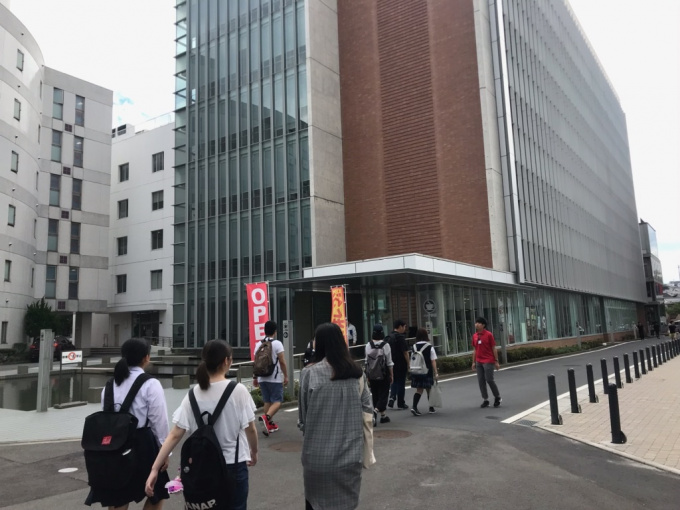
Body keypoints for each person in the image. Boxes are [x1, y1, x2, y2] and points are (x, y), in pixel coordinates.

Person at [145, 340, 258, 510]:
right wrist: (253, 452)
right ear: (226, 361)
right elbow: (251, 429)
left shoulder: (192, 395)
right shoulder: (238, 391)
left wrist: (154, 469)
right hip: (232, 465)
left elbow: (175, 434)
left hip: (201, 467)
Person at [85, 338, 170, 510]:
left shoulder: (110, 384)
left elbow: (107, 416)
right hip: (143, 444)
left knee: (118, 496)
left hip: (114, 446)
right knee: (157, 492)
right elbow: (159, 421)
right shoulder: (150, 384)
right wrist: (165, 451)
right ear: (146, 357)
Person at [299, 323, 372, 510]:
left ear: (319, 344)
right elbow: (368, 410)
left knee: (315, 504)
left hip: (317, 457)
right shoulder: (357, 373)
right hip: (351, 456)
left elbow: (303, 419)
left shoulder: (309, 373)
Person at [252, 320, 288, 435]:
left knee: (267, 401)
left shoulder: (258, 344)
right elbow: (282, 361)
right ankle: (266, 418)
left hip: (262, 377)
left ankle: (269, 425)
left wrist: (255, 377)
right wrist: (286, 376)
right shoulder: (277, 344)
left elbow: (256, 362)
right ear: (275, 332)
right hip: (274, 377)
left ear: (264, 331)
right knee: (277, 401)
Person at [365, 324, 393, 424]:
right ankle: (375, 411)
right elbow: (389, 362)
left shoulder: (368, 345)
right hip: (383, 374)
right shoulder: (386, 345)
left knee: (375, 394)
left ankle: (383, 416)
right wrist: (391, 375)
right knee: (383, 395)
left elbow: (366, 361)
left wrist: (367, 375)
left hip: (372, 373)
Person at [471, 317, 502, 408]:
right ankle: (485, 400)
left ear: (483, 325)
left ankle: (497, 397)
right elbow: (475, 350)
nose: (476, 324)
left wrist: (496, 361)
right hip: (479, 361)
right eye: (476, 322)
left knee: (489, 380)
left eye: (479, 323)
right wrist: (473, 362)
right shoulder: (475, 336)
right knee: (481, 381)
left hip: (488, 360)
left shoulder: (489, 335)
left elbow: (493, 348)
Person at [410, 328, 439, 416]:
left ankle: (414, 407)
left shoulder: (414, 346)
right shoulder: (429, 346)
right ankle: (431, 408)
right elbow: (433, 360)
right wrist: (436, 372)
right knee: (429, 389)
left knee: (419, 389)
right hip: (426, 371)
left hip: (416, 370)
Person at [386, 319, 409, 410]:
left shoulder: (388, 337)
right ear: (400, 326)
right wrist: (409, 363)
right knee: (401, 383)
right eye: (404, 327)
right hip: (401, 363)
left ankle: (392, 397)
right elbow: (405, 352)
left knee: (393, 380)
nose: (405, 328)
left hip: (391, 363)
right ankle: (401, 403)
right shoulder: (401, 338)